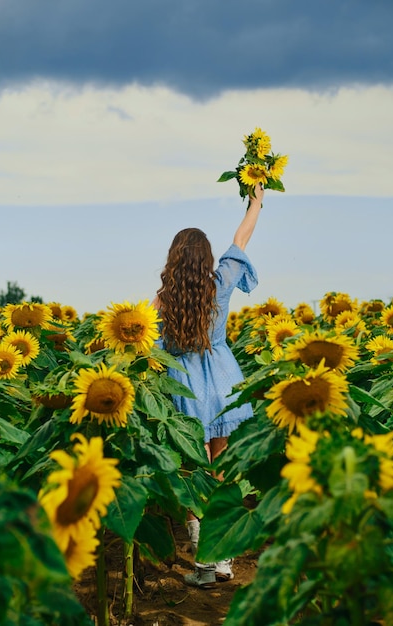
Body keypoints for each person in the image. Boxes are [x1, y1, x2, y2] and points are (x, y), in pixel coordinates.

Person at [153, 183, 264, 588]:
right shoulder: (220, 285)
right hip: (223, 384)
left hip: (186, 392)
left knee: (192, 475)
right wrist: (257, 201)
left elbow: (146, 341)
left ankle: (202, 568)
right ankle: (223, 563)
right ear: (207, 260)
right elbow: (241, 238)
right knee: (221, 475)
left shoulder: (164, 301)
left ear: (174, 260)